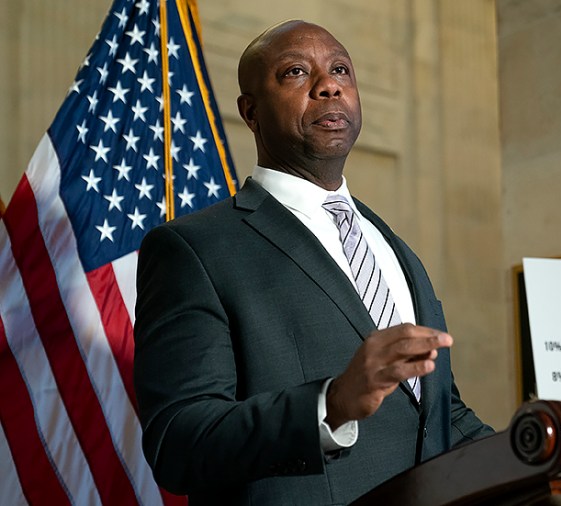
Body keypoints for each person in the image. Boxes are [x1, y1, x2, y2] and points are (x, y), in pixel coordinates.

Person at [133, 20, 493, 505]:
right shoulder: (193, 249)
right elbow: (179, 442)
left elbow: (439, 415)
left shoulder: (393, 247)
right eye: (296, 73)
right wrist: (333, 404)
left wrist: (546, 455)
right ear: (251, 111)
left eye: (341, 69)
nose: (329, 84)